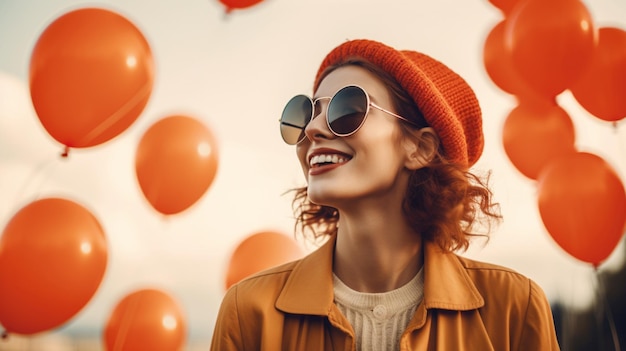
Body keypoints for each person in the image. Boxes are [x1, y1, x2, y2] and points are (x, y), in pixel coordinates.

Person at [210, 39, 560, 350]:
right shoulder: (248, 312)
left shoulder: (515, 309)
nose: (313, 129)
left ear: (420, 148)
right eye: (305, 114)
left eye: (346, 109)